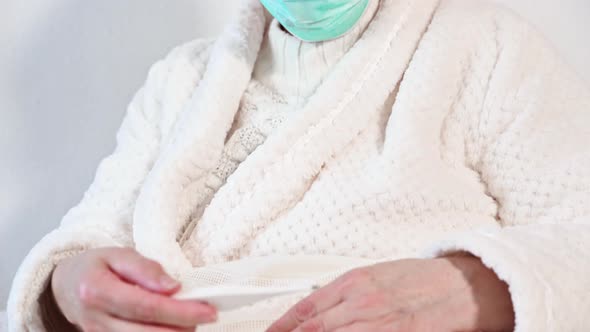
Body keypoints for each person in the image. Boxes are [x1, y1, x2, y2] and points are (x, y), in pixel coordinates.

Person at [7, 0, 590, 331]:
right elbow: (89, 234)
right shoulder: (179, 80)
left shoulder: (485, 48)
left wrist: (477, 290)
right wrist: (68, 286)